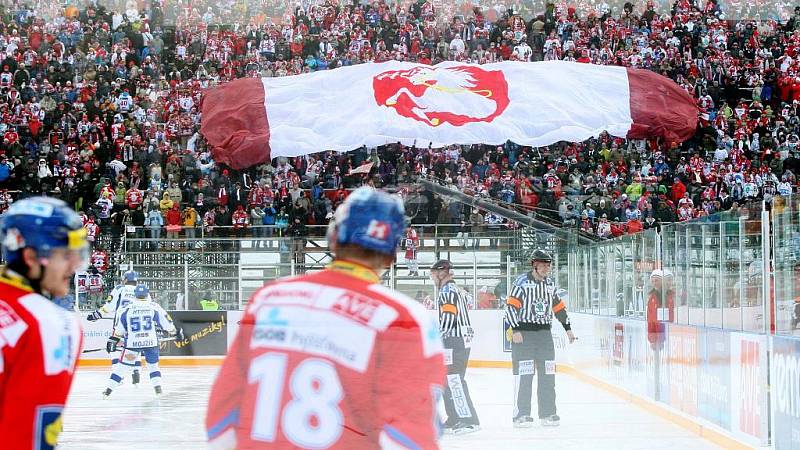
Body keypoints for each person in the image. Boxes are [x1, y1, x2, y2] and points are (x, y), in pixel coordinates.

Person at [206, 187, 445, 449]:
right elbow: (409, 438)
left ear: (334, 235)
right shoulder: (403, 319)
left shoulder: (268, 298)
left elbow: (221, 418)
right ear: (392, 253)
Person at [0, 197, 89, 448]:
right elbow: (26, 439)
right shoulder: (54, 324)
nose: (73, 266)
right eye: (65, 255)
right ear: (31, 257)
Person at [504, 249, 576, 428]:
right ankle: (521, 414)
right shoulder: (521, 283)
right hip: (524, 335)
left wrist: (568, 329)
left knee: (548, 374)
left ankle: (548, 413)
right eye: (543, 265)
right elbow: (510, 309)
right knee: (525, 374)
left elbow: (559, 308)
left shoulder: (550, 285)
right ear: (534, 265)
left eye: (548, 265)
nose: (546, 268)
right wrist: (516, 329)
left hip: (544, 335)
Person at [430, 259, 480, 434]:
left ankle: (468, 420)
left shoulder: (446, 291)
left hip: (454, 340)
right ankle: (454, 417)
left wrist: (437, 338)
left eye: (433, 274)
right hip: (460, 339)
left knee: (454, 379)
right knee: (448, 380)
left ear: (440, 273)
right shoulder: (455, 289)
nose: (432, 278)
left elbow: (450, 318)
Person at [104, 284, 178, 397]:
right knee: (153, 366)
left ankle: (108, 391)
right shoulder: (154, 306)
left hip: (133, 344)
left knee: (122, 367)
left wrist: (114, 340)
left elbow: (119, 329)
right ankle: (158, 389)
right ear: (147, 294)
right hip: (151, 343)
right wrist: (174, 332)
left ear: (135, 295)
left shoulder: (127, 309)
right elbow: (167, 323)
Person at [88, 270, 143, 386]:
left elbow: (109, 306)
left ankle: (118, 377)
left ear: (125, 279)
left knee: (113, 348)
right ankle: (136, 370)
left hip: (120, 324)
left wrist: (96, 315)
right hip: (136, 324)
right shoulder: (142, 290)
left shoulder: (119, 289)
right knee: (134, 348)